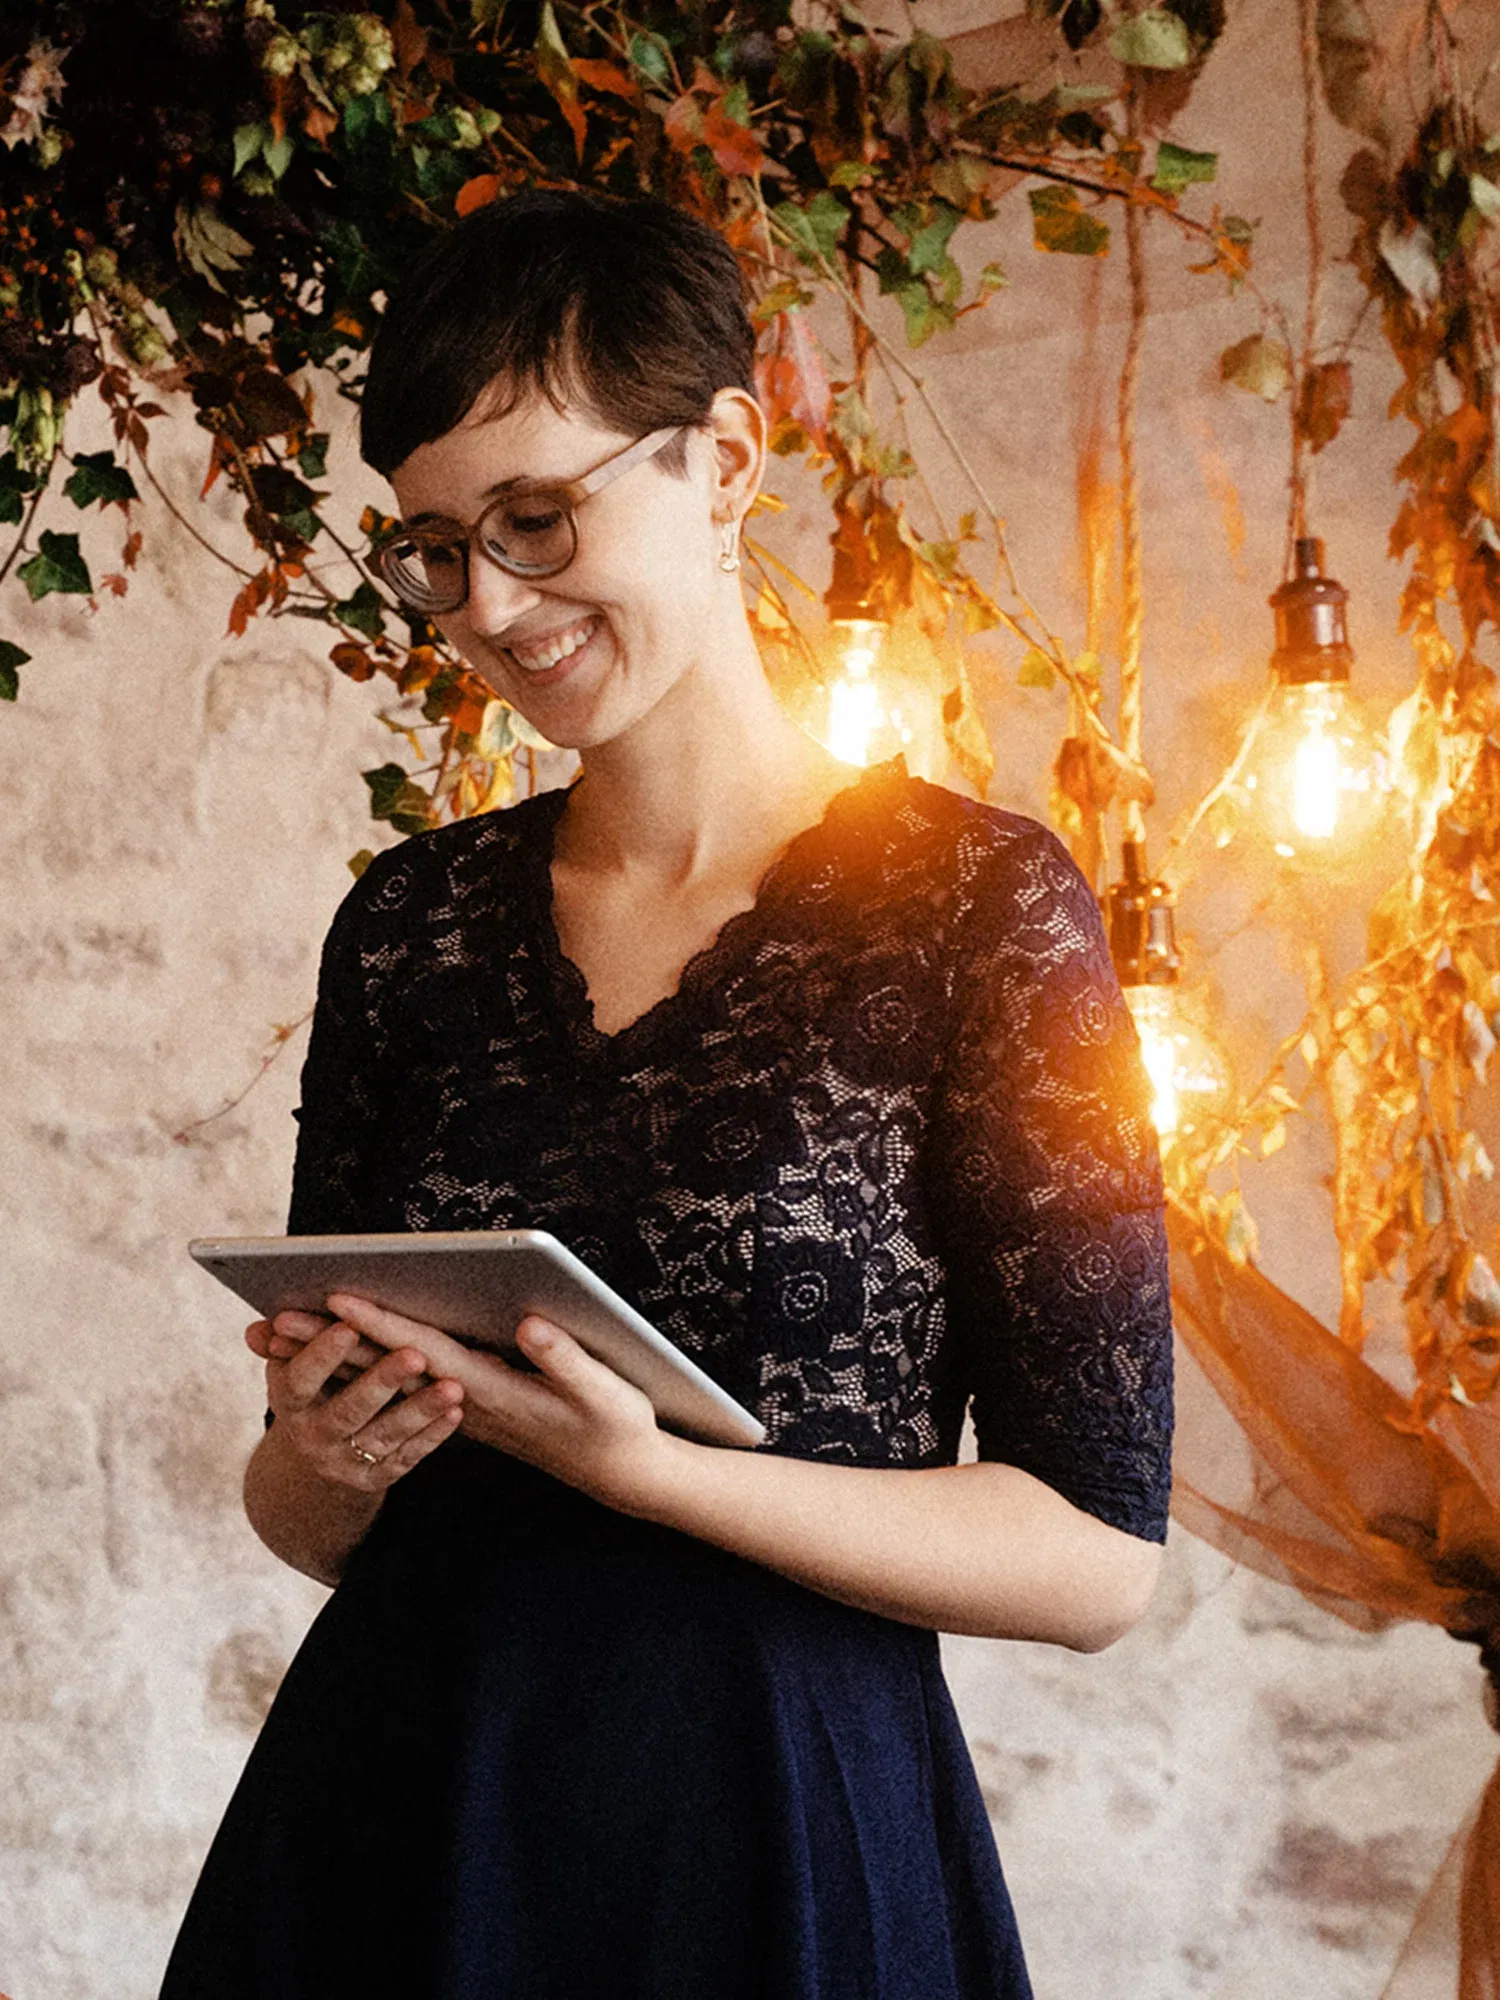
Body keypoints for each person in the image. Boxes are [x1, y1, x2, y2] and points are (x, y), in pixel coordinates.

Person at [158, 186, 1174, 1999]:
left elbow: (1096, 1558)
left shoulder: (980, 907)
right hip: (399, 1820)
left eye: (539, 518)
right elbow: (314, 1523)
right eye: (438, 551)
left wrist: (655, 1477)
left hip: (784, 1830)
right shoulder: (408, 925)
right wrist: (318, 1455)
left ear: (727, 459)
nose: (491, 603)